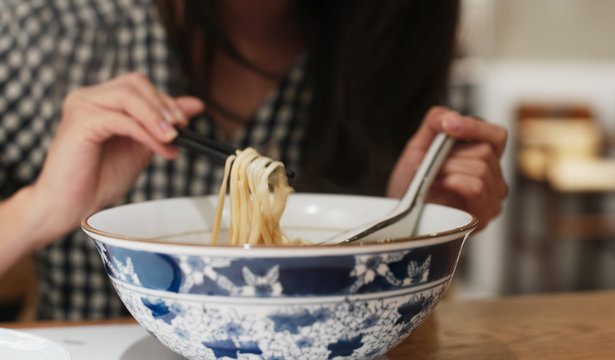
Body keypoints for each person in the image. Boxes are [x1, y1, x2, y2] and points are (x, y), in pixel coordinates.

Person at [0, 0, 508, 320]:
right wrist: (41, 207)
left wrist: (416, 224)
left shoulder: (388, 38)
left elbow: (383, 322)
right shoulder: (41, 31)